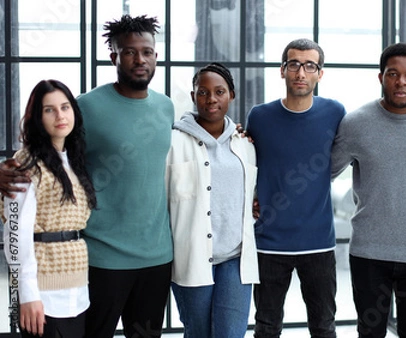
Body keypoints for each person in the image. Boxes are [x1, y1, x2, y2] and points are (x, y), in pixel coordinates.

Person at [0, 15, 174, 337]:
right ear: (114, 57)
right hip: (101, 256)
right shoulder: (85, 108)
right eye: (129, 52)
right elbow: (46, 148)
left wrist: (238, 134)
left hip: (157, 256)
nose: (140, 59)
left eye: (147, 51)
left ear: (155, 56)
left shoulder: (166, 108)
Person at [330, 42, 406, 338]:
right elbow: (326, 173)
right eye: (393, 73)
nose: (401, 81)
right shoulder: (356, 123)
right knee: (370, 332)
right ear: (381, 77)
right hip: (370, 253)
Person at [245, 38, 346, 338]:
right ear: (282, 70)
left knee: (324, 327)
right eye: (294, 64)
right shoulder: (259, 117)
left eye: (309, 66)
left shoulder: (335, 113)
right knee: (266, 327)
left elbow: (347, 156)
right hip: (269, 242)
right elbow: (247, 162)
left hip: (319, 243)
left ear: (319, 73)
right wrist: (251, 196)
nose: (301, 72)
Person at [167, 62, 259, 338]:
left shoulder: (245, 144)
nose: (211, 99)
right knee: (198, 333)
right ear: (194, 96)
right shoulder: (173, 142)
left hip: (235, 257)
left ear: (231, 95)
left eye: (219, 92)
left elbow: (251, 193)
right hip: (192, 257)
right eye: (203, 92)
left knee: (230, 335)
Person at [1, 80, 97, 337]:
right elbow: (16, 233)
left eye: (65, 107)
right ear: (37, 117)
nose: (60, 116)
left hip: (77, 290)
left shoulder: (74, 161)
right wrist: (28, 295)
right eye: (49, 110)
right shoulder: (26, 162)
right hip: (42, 293)